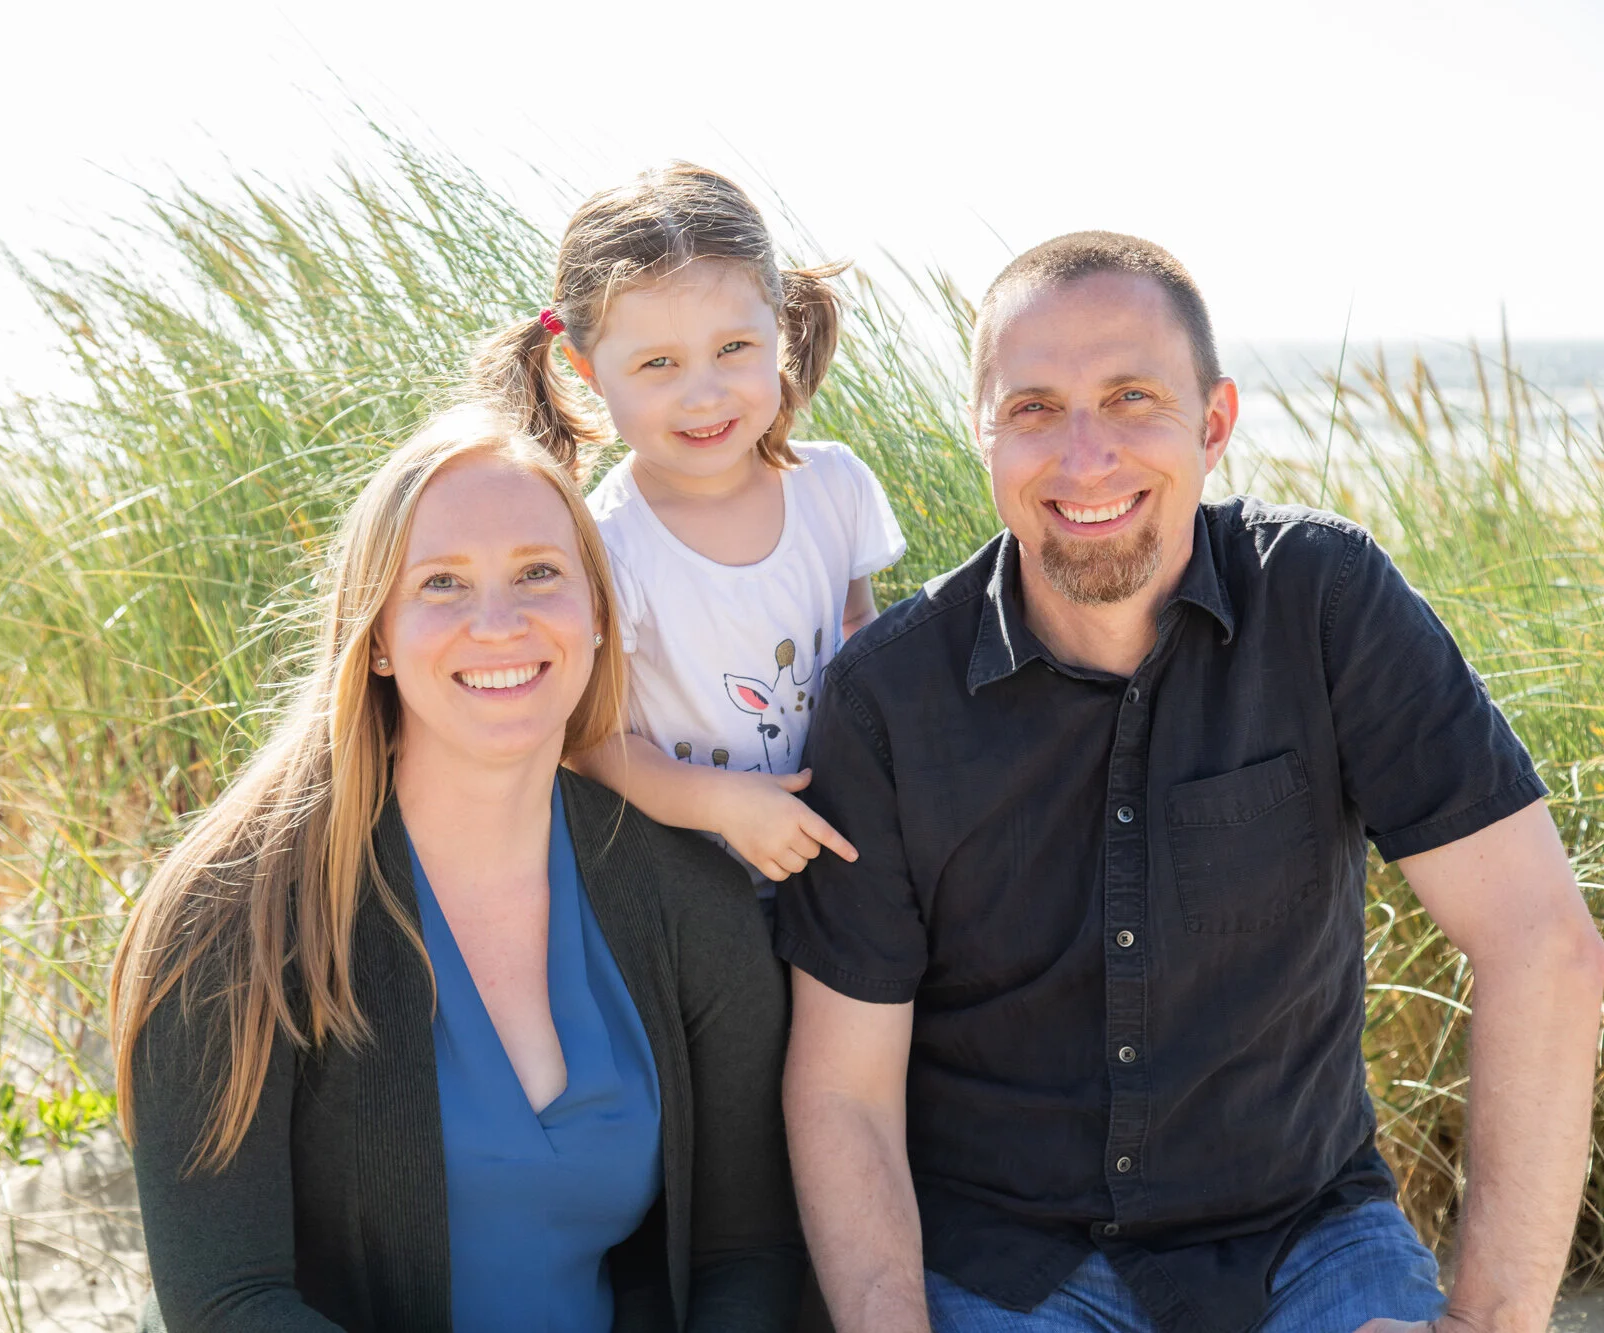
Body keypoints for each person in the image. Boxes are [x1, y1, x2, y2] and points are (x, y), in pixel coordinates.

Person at [776, 232, 1604, 1333]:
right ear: (980, 430)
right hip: (1005, 1262)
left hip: (1302, 1239)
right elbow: (842, 1093)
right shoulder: (887, 699)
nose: (1084, 458)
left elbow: (1537, 942)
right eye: (1031, 408)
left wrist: (1486, 1322)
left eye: (1129, 399)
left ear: (1211, 423)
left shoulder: (1324, 602)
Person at [110, 406, 803, 1332]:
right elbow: (227, 1298)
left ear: (598, 616)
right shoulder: (235, 910)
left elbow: (745, 1254)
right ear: (379, 635)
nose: (498, 623)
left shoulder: (689, 901)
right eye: (442, 583)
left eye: (538, 573)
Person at [471, 161, 907, 892]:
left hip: (840, 854)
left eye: (733, 348)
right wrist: (723, 803)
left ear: (780, 323)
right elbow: (592, 744)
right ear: (586, 368)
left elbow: (861, 632)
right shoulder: (605, 546)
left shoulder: (835, 488)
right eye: (658, 363)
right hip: (691, 892)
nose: (703, 394)